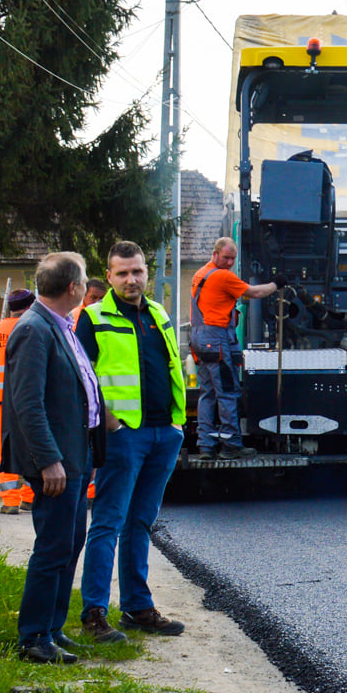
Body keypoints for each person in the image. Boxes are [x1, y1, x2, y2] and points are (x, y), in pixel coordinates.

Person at [2, 251, 114, 665]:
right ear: (73, 287)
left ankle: (52, 630)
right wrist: (48, 459)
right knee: (53, 547)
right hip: (56, 460)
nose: (87, 286)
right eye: (84, 280)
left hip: (76, 453)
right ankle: (34, 637)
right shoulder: (34, 329)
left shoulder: (61, 324)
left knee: (70, 543)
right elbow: (27, 404)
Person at [77, 242, 187, 642]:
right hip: (122, 437)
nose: (131, 279)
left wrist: (176, 426)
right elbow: (80, 375)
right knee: (108, 523)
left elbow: (172, 366)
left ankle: (137, 608)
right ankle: (94, 613)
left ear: (146, 272)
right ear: (109, 276)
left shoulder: (159, 314)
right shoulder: (93, 318)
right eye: (122, 273)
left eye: (137, 271)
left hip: (163, 433)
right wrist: (109, 422)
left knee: (140, 523)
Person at [189, 238, 279, 457]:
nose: (229, 262)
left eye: (233, 259)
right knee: (227, 391)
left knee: (207, 392)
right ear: (215, 254)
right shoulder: (223, 276)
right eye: (226, 257)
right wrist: (277, 284)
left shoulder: (201, 274)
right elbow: (255, 293)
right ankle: (231, 446)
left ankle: (206, 445)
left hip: (200, 337)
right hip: (216, 339)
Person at [0, 289, 38, 515]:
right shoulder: (34, 329)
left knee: (3, 451)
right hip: (29, 401)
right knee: (32, 448)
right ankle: (29, 497)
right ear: (30, 306)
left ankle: (10, 501)